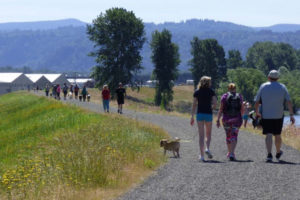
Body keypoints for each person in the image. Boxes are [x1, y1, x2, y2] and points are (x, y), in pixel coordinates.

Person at [254, 70, 295, 162]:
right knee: (277, 134)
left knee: (268, 134)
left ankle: (269, 155)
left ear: (268, 77)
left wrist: (257, 112)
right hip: (278, 115)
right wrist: (291, 114)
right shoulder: (283, 87)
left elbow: (257, 102)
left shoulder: (263, 86)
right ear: (278, 78)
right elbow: (289, 101)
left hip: (266, 115)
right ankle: (278, 151)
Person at [190, 76, 217, 162]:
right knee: (208, 134)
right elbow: (215, 103)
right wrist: (211, 108)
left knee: (201, 136)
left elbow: (194, 105)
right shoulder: (211, 91)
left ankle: (201, 156)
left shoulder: (197, 92)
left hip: (200, 114)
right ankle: (207, 148)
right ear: (208, 83)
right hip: (208, 114)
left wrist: (192, 116)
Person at [216, 83, 244, 161]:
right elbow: (242, 108)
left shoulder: (224, 96)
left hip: (226, 119)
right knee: (234, 135)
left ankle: (229, 152)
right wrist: (241, 116)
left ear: (228, 89)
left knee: (228, 135)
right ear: (235, 88)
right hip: (237, 119)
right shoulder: (240, 96)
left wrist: (218, 119)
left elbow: (221, 109)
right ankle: (232, 153)